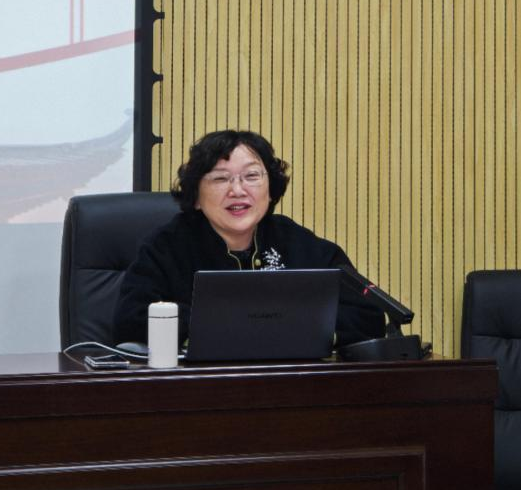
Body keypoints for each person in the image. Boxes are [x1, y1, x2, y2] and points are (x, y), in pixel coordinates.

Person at [113, 129, 385, 348]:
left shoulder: (296, 241)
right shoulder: (167, 246)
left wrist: (297, 328)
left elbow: (367, 314)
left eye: (251, 176)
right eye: (221, 179)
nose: (238, 190)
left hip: (291, 383)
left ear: (271, 189)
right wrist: (230, 323)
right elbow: (131, 320)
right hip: (200, 386)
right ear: (195, 196)